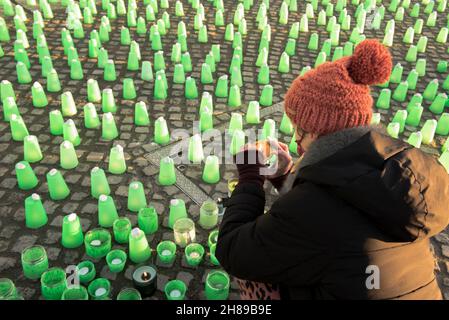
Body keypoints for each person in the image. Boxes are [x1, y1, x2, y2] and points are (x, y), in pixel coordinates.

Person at [215, 39, 449, 300]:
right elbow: (343, 203)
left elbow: (233, 251)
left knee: (256, 276)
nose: (295, 140)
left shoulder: (310, 209)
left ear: (319, 132)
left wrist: (250, 177)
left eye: (299, 130)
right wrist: (287, 178)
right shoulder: (399, 169)